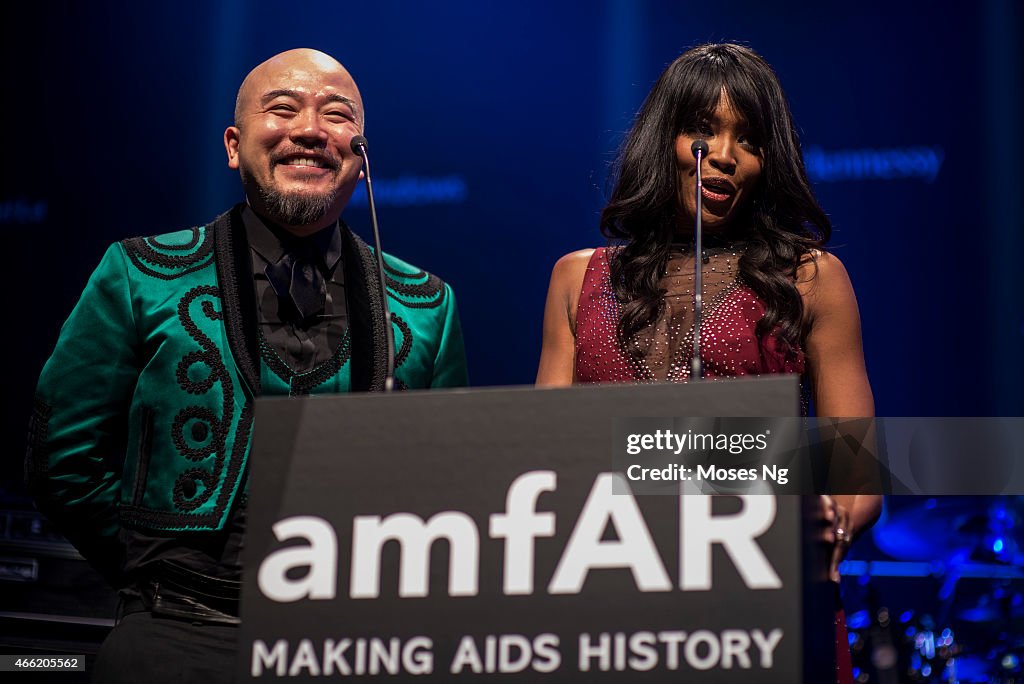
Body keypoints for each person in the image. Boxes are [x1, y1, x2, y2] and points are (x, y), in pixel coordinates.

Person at [25, 48, 468, 682]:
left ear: (362, 159)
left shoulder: (426, 306)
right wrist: (162, 568)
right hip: (177, 636)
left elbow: (448, 489)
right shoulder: (139, 274)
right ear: (234, 146)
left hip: (356, 649)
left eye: (336, 115)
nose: (310, 130)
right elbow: (61, 459)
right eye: (282, 108)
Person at [535, 43, 879, 682]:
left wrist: (830, 516)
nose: (723, 155)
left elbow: (855, 477)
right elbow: (544, 468)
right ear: (662, 138)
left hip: (762, 598)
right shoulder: (575, 279)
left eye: (747, 140)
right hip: (611, 603)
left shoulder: (810, 280)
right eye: (702, 131)